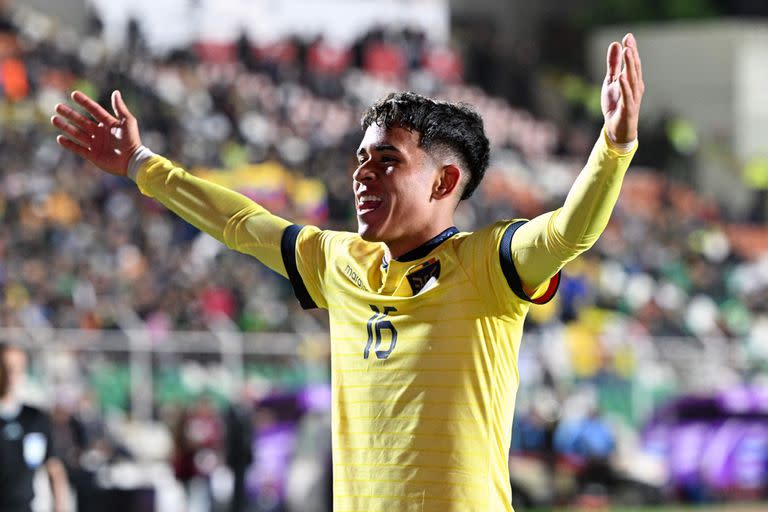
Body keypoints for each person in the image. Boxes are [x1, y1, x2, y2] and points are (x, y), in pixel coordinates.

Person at [51, 32, 644, 511]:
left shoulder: (490, 264)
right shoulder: (341, 262)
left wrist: (613, 148)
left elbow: (571, 230)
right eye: (360, 159)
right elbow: (240, 223)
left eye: (386, 162)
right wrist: (140, 163)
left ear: (444, 182)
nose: (362, 175)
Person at [0, 343, 71, 512]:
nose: (11, 374)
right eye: (6, 367)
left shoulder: (35, 418)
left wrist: (60, 506)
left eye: (18, 368)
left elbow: (54, 466)